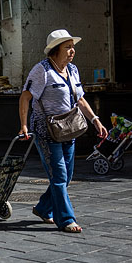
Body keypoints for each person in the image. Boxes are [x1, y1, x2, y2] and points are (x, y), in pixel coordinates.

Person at [18, 29, 108, 233]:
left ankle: (43, 208)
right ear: (55, 51)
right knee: (58, 175)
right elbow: (25, 97)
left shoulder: (73, 70)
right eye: (67, 47)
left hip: (69, 128)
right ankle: (66, 219)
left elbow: (80, 99)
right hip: (46, 130)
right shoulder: (42, 71)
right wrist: (24, 125)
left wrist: (95, 120)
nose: (72, 51)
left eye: (72, 47)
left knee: (66, 177)